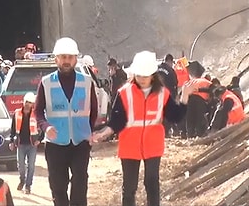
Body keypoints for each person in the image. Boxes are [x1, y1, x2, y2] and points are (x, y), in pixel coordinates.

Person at [92, 51, 193, 206]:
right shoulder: (124, 93)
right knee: (129, 187)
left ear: (153, 75)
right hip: (129, 145)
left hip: (153, 145)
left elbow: (175, 117)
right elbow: (117, 121)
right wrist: (104, 133)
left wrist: (184, 97)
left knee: (152, 183)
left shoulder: (162, 94)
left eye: (145, 76)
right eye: (139, 76)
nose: (142, 79)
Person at [33, 37, 98, 206]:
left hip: (80, 143)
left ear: (76, 59)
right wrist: (45, 127)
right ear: (56, 59)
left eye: (70, 57)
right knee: (58, 187)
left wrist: (89, 132)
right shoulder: (46, 83)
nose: (66, 61)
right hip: (55, 144)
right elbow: (38, 111)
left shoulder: (86, 81)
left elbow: (93, 110)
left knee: (80, 184)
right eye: (63, 57)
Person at [9, 92, 42, 194]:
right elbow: (13, 129)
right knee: (21, 166)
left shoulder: (36, 114)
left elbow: (42, 128)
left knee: (31, 166)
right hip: (21, 144)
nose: (28, 104)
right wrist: (11, 141)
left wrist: (39, 140)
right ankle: (22, 180)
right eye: (27, 102)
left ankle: (28, 185)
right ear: (24, 102)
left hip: (32, 144)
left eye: (30, 102)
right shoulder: (17, 113)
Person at [186, 61, 211, 138]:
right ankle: (199, 134)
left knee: (190, 117)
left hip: (189, 98)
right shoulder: (208, 82)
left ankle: (190, 134)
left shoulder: (192, 80)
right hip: (200, 99)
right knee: (199, 117)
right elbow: (212, 92)